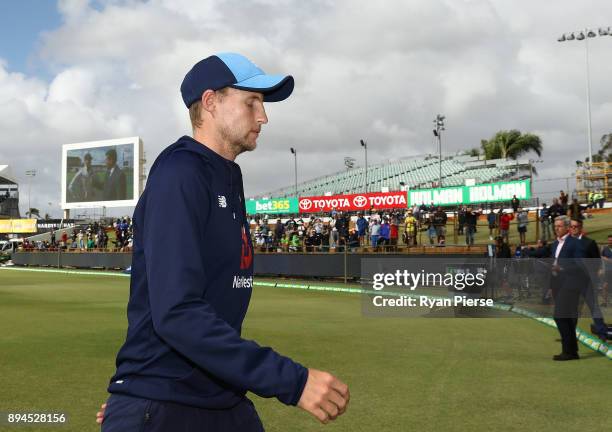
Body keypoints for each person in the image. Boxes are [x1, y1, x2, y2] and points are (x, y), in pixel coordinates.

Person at [97, 53, 349, 431]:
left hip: (217, 398)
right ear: (211, 102)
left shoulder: (227, 177)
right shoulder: (180, 172)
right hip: (166, 404)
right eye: (252, 102)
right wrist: (293, 381)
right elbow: (177, 313)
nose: (263, 117)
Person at [549, 216, 586, 361]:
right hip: (558, 284)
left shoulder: (575, 243)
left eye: (559, 226)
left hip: (570, 284)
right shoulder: (554, 244)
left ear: (567, 227)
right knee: (566, 318)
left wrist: (562, 267)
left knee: (559, 316)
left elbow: (580, 264)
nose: (556, 228)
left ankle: (569, 351)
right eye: (555, 226)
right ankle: (572, 351)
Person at [569, 219, 608, 340]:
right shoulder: (567, 243)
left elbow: (596, 262)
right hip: (572, 281)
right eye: (571, 226)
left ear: (580, 227)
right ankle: (569, 335)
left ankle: (602, 333)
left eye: (576, 226)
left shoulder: (589, 243)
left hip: (588, 281)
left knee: (594, 307)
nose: (573, 228)